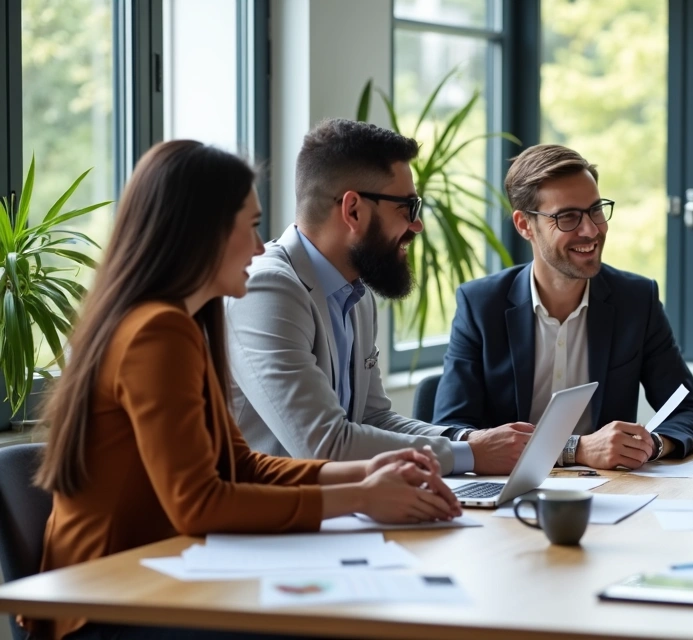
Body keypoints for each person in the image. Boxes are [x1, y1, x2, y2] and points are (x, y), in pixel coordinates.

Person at [32, 140, 461, 640]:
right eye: (252, 226)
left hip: (157, 578)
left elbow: (241, 465)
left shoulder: (188, 325)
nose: (260, 248)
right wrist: (358, 496)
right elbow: (199, 504)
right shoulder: (155, 332)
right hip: (104, 601)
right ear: (204, 234)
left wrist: (365, 471)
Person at [225, 119, 531, 476]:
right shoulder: (267, 289)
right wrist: (471, 456)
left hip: (338, 510)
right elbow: (324, 444)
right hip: (271, 522)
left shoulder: (355, 292)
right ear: (353, 210)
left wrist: (470, 442)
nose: (417, 226)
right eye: (408, 208)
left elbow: (374, 418)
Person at [432, 144, 693, 470]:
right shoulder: (481, 305)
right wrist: (574, 449)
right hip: (507, 494)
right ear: (524, 225)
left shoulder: (636, 300)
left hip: (611, 495)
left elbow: (691, 411)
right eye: (568, 217)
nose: (591, 230)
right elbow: (451, 432)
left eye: (596, 210)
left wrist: (650, 445)